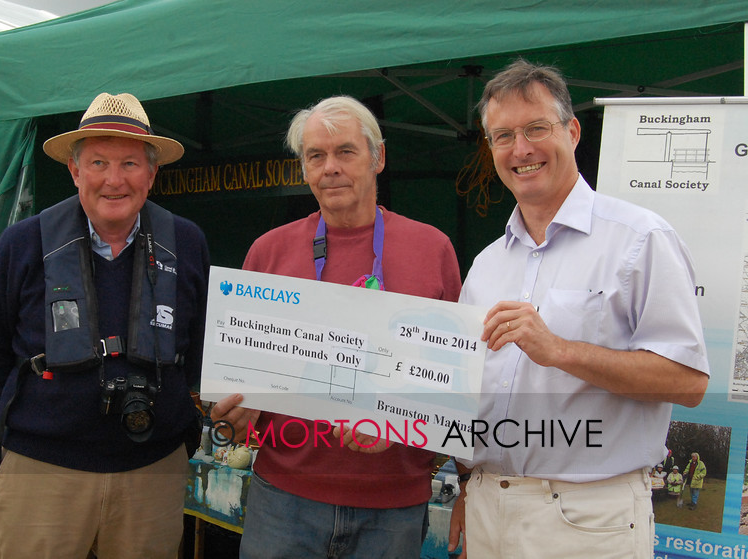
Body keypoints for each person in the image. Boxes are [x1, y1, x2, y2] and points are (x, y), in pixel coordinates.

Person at [448, 59, 709, 558]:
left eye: (535, 129)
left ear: (572, 131)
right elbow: (466, 391)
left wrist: (559, 350)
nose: (520, 149)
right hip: (488, 508)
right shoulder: (485, 264)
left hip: (588, 518)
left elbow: (688, 380)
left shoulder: (639, 239)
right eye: (502, 136)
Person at [211, 95, 462, 558]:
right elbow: (244, 378)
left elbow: (453, 382)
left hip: (393, 507)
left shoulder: (433, 249)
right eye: (316, 156)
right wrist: (236, 412)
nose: (331, 168)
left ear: (378, 157)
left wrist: (403, 420)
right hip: (283, 499)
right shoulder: (268, 253)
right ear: (303, 168)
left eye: (346, 151)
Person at [0, 92, 210, 558]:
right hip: (42, 474)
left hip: (152, 475)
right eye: (98, 162)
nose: (114, 180)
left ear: (152, 173)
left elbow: (200, 349)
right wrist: (51, 409)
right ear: (75, 171)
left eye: (130, 164)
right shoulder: (22, 242)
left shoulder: (187, 242)